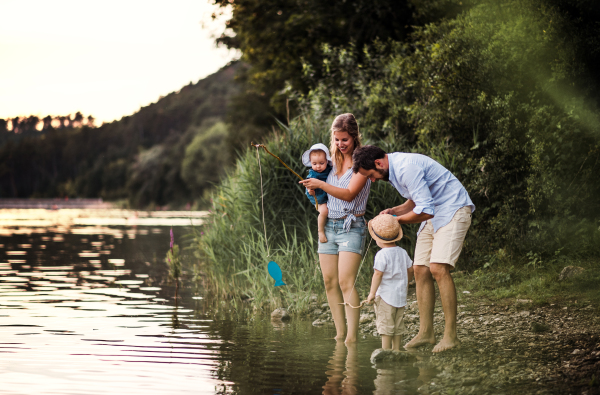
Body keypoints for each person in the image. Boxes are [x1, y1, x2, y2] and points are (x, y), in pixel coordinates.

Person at [352, 145, 475, 353]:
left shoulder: (406, 167)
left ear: (378, 163)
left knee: (437, 268)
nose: (371, 180)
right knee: (420, 269)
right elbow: (415, 200)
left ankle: (450, 336)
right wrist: (393, 211)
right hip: (434, 212)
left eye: (370, 175)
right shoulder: (391, 171)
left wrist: (396, 220)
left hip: (453, 208)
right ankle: (426, 332)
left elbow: (425, 210)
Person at [299, 113, 371, 343]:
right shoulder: (331, 163)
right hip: (329, 226)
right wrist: (314, 192)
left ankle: (352, 337)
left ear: (355, 137)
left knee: (345, 282)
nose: (340, 144)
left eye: (345, 140)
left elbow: (349, 195)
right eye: (337, 139)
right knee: (329, 282)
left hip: (352, 226)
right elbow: (323, 197)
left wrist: (321, 184)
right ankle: (340, 334)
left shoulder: (362, 163)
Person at [366, 214, 414, 352]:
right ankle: (397, 350)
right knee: (398, 324)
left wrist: (371, 294)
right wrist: (408, 282)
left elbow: (378, 274)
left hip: (386, 297)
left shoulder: (381, 254)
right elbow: (411, 269)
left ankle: (386, 351)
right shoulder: (402, 252)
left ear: (377, 239)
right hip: (400, 296)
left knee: (386, 325)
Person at [301, 143, 333, 243]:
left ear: (327, 161)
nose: (318, 166)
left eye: (321, 163)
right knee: (324, 211)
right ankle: (320, 231)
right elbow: (308, 184)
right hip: (318, 197)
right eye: (314, 164)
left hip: (328, 195)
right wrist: (310, 190)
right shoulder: (313, 173)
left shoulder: (330, 169)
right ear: (311, 163)